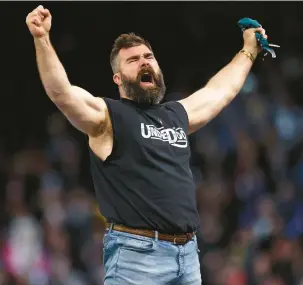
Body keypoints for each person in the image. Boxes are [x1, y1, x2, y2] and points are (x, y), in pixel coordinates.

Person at [26, 5, 268, 285]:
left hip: (188, 255)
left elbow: (219, 92)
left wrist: (248, 51)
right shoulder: (109, 117)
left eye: (148, 56)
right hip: (137, 258)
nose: (144, 62)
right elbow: (62, 93)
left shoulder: (175, 115)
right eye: (132, 60)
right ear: (117, 78)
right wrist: (42, 39)